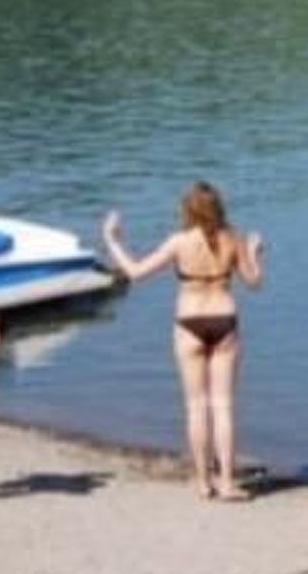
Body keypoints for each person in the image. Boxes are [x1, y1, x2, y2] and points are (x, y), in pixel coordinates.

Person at [102, 182, 264, 501]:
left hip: (188, 321)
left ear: (187, 211)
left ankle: (204, 482)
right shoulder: (233, 238)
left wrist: (112, 240)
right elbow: (254, 282)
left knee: (195, 407)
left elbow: (135, 272)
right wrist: (255, 254)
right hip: (224, 319)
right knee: (223, 406)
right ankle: (228, 481)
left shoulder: (179, 241)